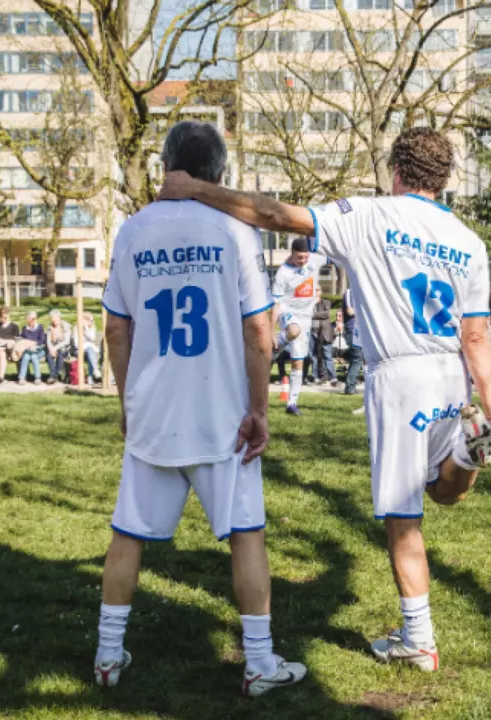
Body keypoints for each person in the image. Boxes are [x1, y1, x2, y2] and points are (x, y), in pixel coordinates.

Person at [159, 126, 491, 673]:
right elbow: (479, 336)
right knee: (444, 491)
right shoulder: (468, 240)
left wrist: (195, 190)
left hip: (401, 377)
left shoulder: (368, 214)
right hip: (454, 378)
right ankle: (467, 454)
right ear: (444, 179)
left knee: (404, 518)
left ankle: (419, 638)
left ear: (395, 172)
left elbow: (274, 215)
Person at [97, 120, 306, 696]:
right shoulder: (234, 231)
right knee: (246, 534)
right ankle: (260, 662)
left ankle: (108, 657)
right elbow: (259, 331)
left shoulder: (133, 230)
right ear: (219, 173)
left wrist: (126, 399)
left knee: (127, 535)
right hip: (223, 413)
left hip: (155, 409)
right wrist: (259, 408)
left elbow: (117, 329)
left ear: (168, 166)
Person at [272, 237, 329, 414]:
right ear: (292, 254)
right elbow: (276, 303)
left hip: (306, 317)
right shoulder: (283, 273)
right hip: (287, 312)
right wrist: (270, 330)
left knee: (298, 362)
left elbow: (335, 255)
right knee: (293, 330)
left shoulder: (314, 260)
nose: (303, 261)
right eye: (300, 258)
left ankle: (292, 403)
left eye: (305, 257)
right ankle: (274, 344)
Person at [341, 287, 363, 394]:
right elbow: (350, 311)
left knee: (357, 359)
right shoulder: (350, 292)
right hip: (353, 330)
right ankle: (350, 387)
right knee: (357, 358)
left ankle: (350, 384)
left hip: (362, 329)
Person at [312, 295, 338, 385]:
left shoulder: (326, 302)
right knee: (314, 356)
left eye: (317, 291)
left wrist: (312, 314)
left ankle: (333, 378)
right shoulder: (308, 303)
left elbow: (326, 314)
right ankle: (317, 377)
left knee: (327, 356)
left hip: (324, 333)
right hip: (312, 332)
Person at [44, 309, 73, 385]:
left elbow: (66, 341)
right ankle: (54, 376)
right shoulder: (50, 327)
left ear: (59, 317)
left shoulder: (65, 326)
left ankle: (54, 376)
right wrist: (51, 349)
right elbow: (48, 341)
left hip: (64, 348)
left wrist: (55, 348)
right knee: (49, 356)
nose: (53, 320)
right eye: (52, 318)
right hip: (53, 348)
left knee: (60, 355)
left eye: (55, 318)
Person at [17, 310, 46, 385]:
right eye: (32, 319)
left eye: (35, 318)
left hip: (39, 350)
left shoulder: (40, 327)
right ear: (28, 319)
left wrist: (33, 343)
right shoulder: (25, 328)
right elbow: (22, 339)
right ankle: (22, 378)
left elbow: (42, 340)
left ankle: (37, 377)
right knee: (27, 356)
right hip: (28, 350)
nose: (34, 320)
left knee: (33, 356)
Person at [78, 311, 103, 384]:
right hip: (79, 350)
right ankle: (93, 373)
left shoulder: (92, 328)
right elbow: (77, 344)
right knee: (90, 350)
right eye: (90, 320)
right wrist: (84, 327)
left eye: (92, 320)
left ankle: (91, 377)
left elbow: (92, 338)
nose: (91, 322)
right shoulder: (77, 328)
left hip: (90, 351)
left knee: (90, 352)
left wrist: (86, 329)